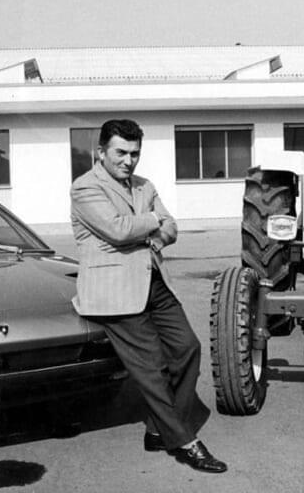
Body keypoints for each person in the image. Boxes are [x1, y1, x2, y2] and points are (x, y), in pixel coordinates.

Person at [70, 119, 227, 473]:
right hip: (114, 291)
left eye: (135, 153)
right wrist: (153, 219)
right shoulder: (85, 188)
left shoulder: (144, 185)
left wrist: (152, 231)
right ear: (101, 152)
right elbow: (117, 229)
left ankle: (158, 429)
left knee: (188, 348)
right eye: (121, 153)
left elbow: (171, 227)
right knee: (153, 366)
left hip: (154, 281)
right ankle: (185, 441)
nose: (129, 161)